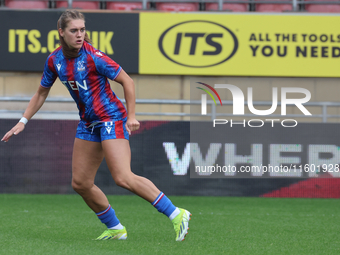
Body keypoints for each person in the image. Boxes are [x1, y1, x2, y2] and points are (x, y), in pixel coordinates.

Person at [1, 10, 191, 241]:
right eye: (74, 30)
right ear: (61, 32)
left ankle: (176, 213)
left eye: (82, 29)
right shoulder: (55, 60)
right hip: (88, 124)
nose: (79, 34)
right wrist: (23, 121)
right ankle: (115, 228)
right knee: (80, 183)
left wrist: (132, 116)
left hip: (111, 118)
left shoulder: (94, 57)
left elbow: (127, 81)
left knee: (122, 177)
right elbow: (41, 93)